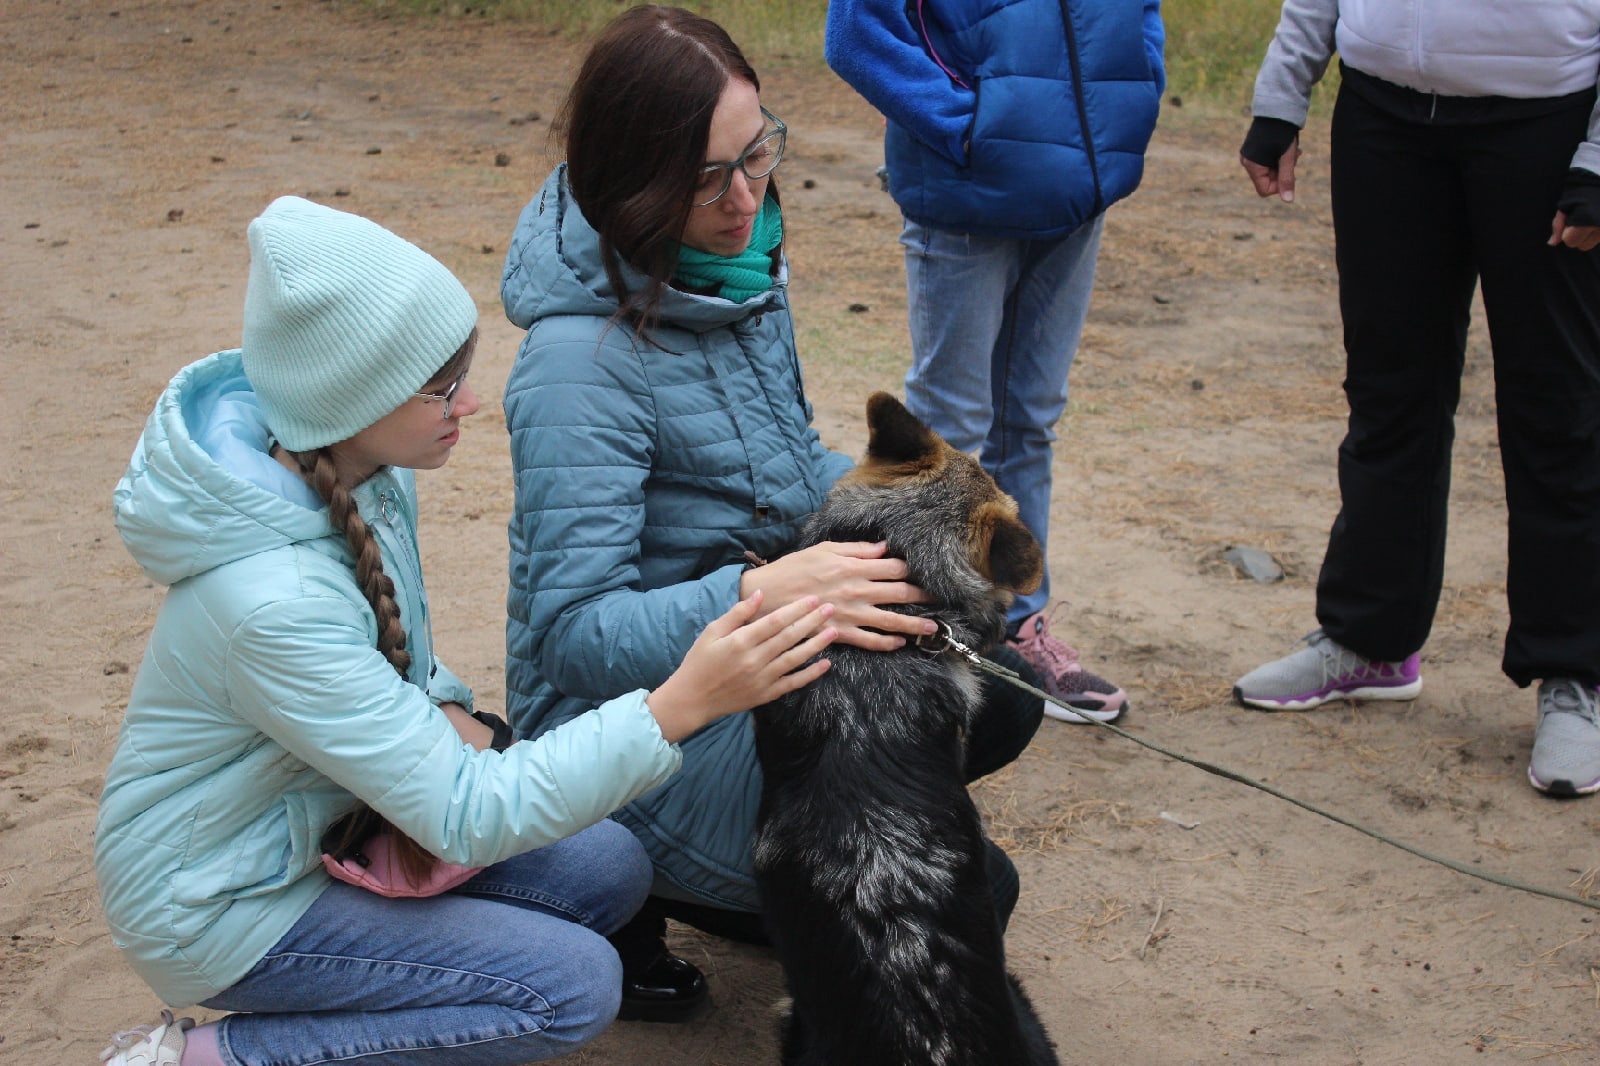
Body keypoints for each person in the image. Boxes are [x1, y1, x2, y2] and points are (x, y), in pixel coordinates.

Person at [94, 195, 838, 1066]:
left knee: (609, 867)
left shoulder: (355, 467)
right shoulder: (271, 603)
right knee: (569, 985)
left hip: (320, 819)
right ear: (353, 395)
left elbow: (393, 659)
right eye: (443, 386)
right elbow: (460, 816)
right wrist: (682, 702)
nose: (472, 401)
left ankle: (415, 987)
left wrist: (450, 710)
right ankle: (207, 1059)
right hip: (218, 904)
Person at [500, 3, 1047, 1020]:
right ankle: (625, 879)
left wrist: (926, 518)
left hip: (760, 649)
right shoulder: (575, 369)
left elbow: (790, 463)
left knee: (1003, 690)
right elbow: (573, 639)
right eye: (708, 177)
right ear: (634, 180)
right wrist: (762, 587)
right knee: (979, 889)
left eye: (757, 156)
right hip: (633, 726)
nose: (745, 197)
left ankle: (788, 857)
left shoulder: (736, 271)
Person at [1232, 1, 1600, 798]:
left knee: (1557, 409)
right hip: (1385, 121)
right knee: (1388, 391)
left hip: (1546, 127)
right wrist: (1279, 97)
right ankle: (1370, 637)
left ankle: (1575, 671)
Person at [824, 0, 1166, 724]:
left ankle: (1017, 631)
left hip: (1082, 180)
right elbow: (857, 32)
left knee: (1031, 418)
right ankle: (921, 636)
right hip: (968, 188)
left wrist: (1128, 100)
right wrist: (973, 127)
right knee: (947, 427)